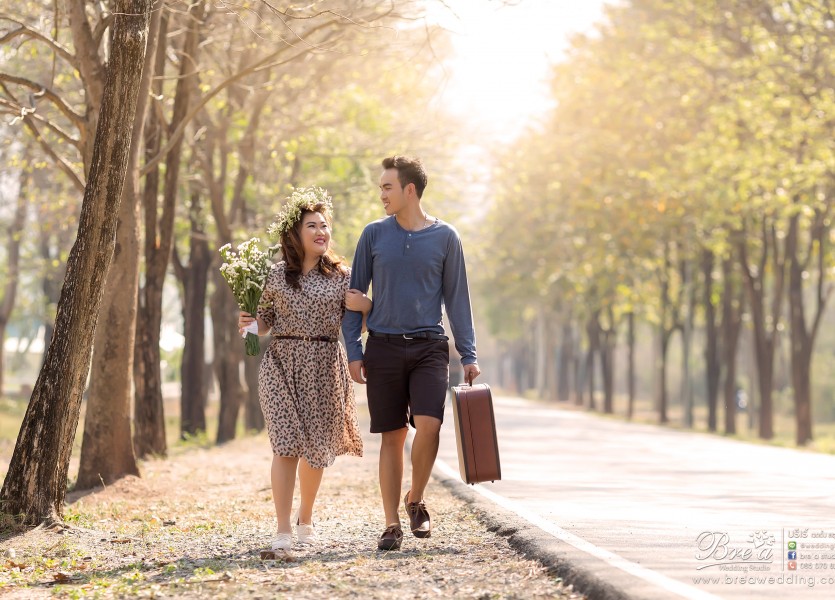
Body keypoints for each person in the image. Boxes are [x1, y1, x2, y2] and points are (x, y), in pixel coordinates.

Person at [342, 155, 481, 551]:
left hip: (429, 347)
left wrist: (468, 354)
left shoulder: (446, 237)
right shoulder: (373, 235)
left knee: (430, 426)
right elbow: (353, 298)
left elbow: (458, 300)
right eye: (380, 187)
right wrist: (354, 350)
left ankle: (415, 497)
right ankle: (390, 524)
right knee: (391, 437)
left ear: (409, 190)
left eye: (387, 186)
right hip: (382, 347)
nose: (381, 193)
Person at [238, 187, 369, 554]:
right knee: (285, 445)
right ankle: (282, 528)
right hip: (282, 364)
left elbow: (353, 326)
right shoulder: (277, 275)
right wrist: (248, 323)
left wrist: (367, 307)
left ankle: (305, 518)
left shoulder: (343, 276)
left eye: (324, 225)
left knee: (317, 450)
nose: (320, 231)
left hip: (326, 366)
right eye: (311, 225)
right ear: (295, 234)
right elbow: (263, 322)